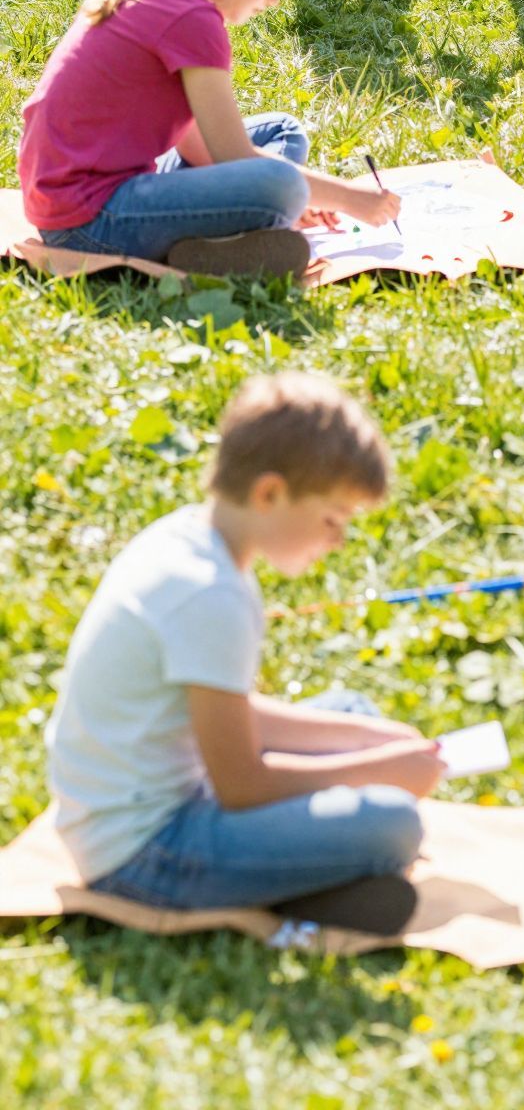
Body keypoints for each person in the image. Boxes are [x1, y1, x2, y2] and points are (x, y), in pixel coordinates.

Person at [47, 372, 442, 926]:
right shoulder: (212, 597)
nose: (338, 541)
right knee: (395, 823)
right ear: (270, 493)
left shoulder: (190, 539)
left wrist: (371, 744)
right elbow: (241, 785)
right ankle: (310, 885)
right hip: (145, 853)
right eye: (333, 519)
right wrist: (374, 770)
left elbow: (231, 716)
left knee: (353, 713)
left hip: (144, 799)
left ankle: (314, 877)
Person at [18, 0, 400, 278]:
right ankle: (232, 240)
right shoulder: (192, 19)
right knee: (281, 185)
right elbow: (231, 156)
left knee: (281, 132)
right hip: (90, 220)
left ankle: (226, 239)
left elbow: (196, 148)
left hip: (75, 201)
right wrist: (351, 199)